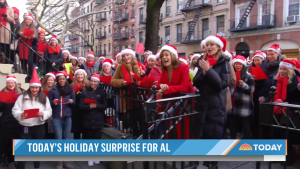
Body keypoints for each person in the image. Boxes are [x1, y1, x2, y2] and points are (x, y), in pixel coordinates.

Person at [193, 35, 230, 169]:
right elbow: (195, 82)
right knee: (204, 134)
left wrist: (209, 71)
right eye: (207, 45)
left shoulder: (224, 62)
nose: (209, 47)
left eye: (212, 45)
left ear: (218, 47)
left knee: (215, 134)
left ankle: (213, 163)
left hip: (216, 104)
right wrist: (203, 72)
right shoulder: (202, 60)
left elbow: (222, 84)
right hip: (203, 103)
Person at [12, 68, 52, 169]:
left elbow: (49, 111)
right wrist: (21, 114)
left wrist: (43, 113)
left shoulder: (44, 98)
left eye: (36, 88)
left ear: (39, 88)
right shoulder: (22, 97)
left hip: (39, 127)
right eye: (32, 88)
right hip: (25, 127)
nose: (34, 90)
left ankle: (37, 167)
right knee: (22, 152)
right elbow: (14, 110)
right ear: (30, 88)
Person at [156, 44, 194, 139]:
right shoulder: (164, 70)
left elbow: (185, 87)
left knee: (182, 131)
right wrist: (161, 85)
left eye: (166, 55)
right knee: (169, 131)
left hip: (183, 105)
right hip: (169, 105)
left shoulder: (183, 67)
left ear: (172, 56)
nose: (164, 58)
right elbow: (159, 83)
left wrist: (166, 89)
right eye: (162, 56)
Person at [111, 48, 145, 137]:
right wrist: (122, 82)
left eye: (127, 55)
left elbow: (146, 80)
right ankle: (135, 137)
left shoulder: (139, 65)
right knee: (132, 122)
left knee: (142, 120)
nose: (126, 57)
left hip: (139, 98)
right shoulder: (120, 67)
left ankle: (143, 138)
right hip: (128, 98)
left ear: (132, 55)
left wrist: (143, 76)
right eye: (124, 56)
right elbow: (113, 81)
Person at [273, 59, 300, 165]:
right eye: (280, 68)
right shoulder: (277, 80)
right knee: (278, 133)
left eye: (284, 69)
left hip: (292, 113)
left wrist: (287, 103)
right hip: (278, 111)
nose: (282, 71)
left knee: (286, 134)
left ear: (289, 70)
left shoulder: (295, 81)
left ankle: (288, 156)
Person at [48, 70, 75, 169]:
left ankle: (65, 162)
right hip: (57, 118)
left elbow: (74, 102)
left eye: (63, 79)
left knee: (66, 140)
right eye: (60, 79)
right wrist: (53, 102)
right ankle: (59, 162)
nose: (62, 81)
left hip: (67, 118)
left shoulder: (70, 89)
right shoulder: (53, 90)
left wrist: (72, 101)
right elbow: (49, 104)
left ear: (66, 79)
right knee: (58, 140)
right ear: (57, 80)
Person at [79, 74, 107, 166]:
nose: (93, 83)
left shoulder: (102, 92)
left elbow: (105, 105)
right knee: (89, 138)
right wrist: (89, 107)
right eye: (92, 81)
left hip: (98, 118)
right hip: (88, 119)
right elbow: (80, 106)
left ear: (98, 83)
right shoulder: (84, 93)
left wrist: (96, 105)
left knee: (97, 138)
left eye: (95, 81)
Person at [0, 76, 24, 169]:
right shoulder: (2, 93)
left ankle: (17, 160)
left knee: (18, 141)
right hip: (6, 122)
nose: (10, 84)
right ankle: (9, 160)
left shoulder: (22, 93)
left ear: (15, 83)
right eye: (9, 83)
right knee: (7, 142)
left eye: (12, 82)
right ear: (6, 84)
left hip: (18, 122)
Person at [229, 55, 254, 139]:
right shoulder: (231, 76)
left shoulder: (248, 76)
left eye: (240, 64)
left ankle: (248, 146)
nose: (238, 66)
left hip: (244, 106)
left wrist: (243, 85)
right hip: (233, 106)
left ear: (243, 65)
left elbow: (252, 89)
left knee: (246, 127)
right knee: (233, 128)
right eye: (236, 64)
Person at [248, 51, 265, 138]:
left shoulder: (266, 68)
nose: (257, 62)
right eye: (255, 60)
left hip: (262, 93)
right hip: (255, 93)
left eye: (258, 60)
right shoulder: (251, 69)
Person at [71, 69, 89, 140]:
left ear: (84, 76)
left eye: (81, 74)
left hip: (85, 111)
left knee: (86, 132)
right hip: (76, 111)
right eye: (78, 74)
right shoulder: (72, 86)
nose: (80, 76)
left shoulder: (88, 85)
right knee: (76, 133)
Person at [41, 72, 56, 139]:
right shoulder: (41, 89)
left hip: (54, 112)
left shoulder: (56, 89)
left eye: (51, 80)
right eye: (48, 80)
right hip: (44, 112)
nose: (50, 81)